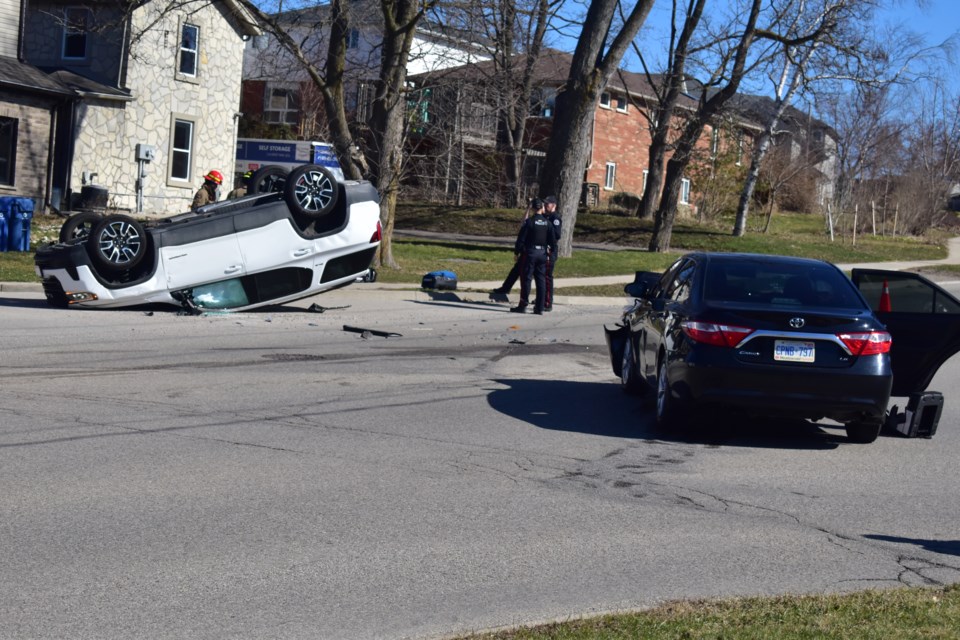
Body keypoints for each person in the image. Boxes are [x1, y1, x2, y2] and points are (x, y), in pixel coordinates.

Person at [510, 198, 557, 315]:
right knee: (541, 280)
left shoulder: (529, 222)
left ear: (533, 209)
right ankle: (540, 307)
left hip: (530, 253)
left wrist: (517, 252)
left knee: (526, 279)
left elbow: (521, 239)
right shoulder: (548, 223)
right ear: (542, 208)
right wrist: (551, 254)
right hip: (542, 254)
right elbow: (553, 242)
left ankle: (523, 304)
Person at [490, 198, 534, 296]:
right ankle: (505, 288)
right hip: (526, 251)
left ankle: (538, 299)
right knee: (515, 271)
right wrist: (528, 208)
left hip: (534, 253)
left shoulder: (542, 221)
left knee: (534, 276)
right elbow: (524, 222)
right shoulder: (530, 221)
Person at [542, 195, 561, 311]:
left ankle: (548, 302)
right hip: (543, 250)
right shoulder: (546, 217)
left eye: (548, 204)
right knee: (541, 276)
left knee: (547, 277)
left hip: (550, 251)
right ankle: (543, 297)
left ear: (553, 205)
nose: (545, 205)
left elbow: (557, 235)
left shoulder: (555, 218)